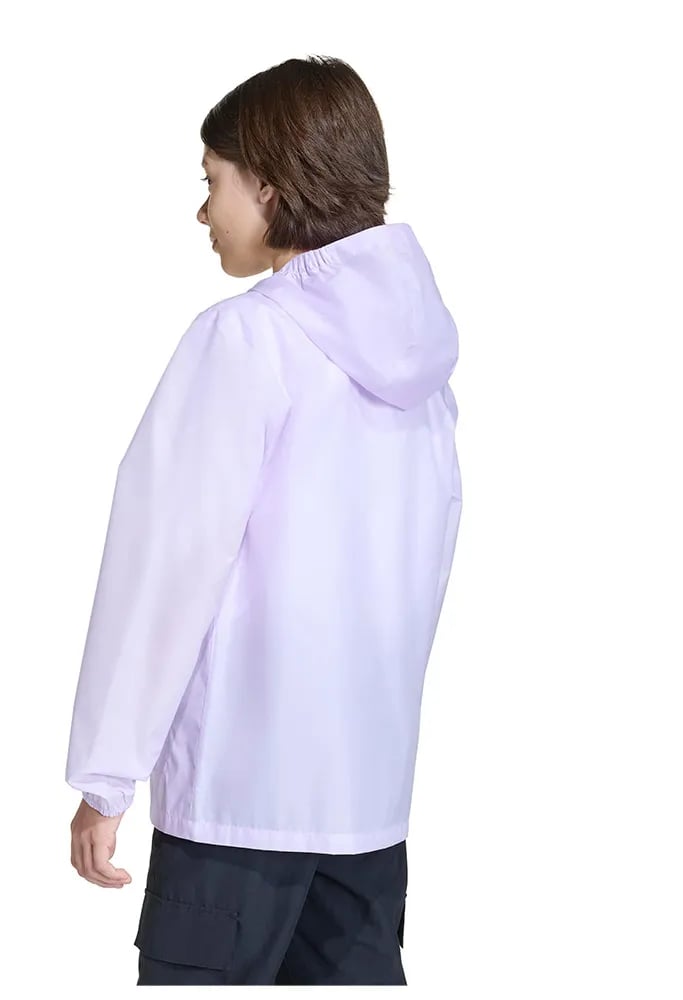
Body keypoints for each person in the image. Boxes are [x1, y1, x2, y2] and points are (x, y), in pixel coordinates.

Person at [64, 54, 462, 986]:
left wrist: (106, 774)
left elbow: (167, 564)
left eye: (214, 182)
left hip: (235, 810)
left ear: (273, 189)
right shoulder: (424, 372)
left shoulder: (246, 338)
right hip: (367, 811)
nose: (203, 213)